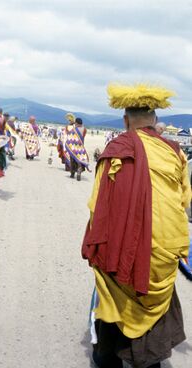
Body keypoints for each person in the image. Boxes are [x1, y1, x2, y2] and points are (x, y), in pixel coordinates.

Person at [82, 83, 190, 368]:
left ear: (125, 120)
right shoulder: (176, 153)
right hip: (162, 251)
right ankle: (149, 359)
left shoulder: (117, 149)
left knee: (116, 295)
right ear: (154, 120)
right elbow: (183, 200)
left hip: (122, 250)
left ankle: (107, 355)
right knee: (152, 310)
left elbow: (98, 204)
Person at [65, 117, 89, 181]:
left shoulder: (74, 130)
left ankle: (72, 174)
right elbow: (82, 136)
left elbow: (69, 136)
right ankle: (79, 171)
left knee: (72, 159)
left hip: (74, 148)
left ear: (76, 123)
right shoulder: (85, 129)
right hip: (81, 148)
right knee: (80, 160)